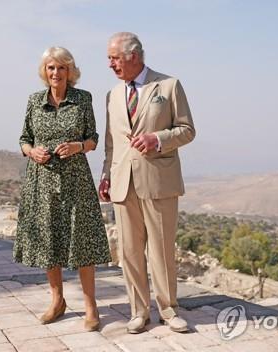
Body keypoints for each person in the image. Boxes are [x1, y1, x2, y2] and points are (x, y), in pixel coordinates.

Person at [99, 32, 196, 333]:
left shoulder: (168, 86)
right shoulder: (112, 95)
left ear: (134, 56)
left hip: (159, 182)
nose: (110, 64)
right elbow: (112, 143)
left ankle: (169, 310)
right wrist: (105, 175)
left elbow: (187, 130)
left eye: (114, 58)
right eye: (109, 59)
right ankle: (138, 312)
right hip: (122, 183)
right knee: (129, 252)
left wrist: (158, 139)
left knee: (162, 251)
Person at [14, 46, 111, 329]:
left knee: (81, 239)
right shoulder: (34, 101)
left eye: (61, 68)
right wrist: (31, 152)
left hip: (75, 181)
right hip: (41, 181)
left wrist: (77, 146)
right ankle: (57, 300)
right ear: (45, 72)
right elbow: (24, 138)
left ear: (70, 72)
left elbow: (93, 138)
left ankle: (91, 305)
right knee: (48, 239)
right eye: (51, 68)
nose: (56, 73)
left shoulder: (83, 99)